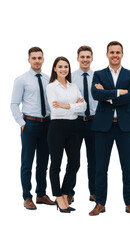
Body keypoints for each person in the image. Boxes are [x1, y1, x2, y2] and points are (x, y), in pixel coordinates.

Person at [89, 41, 130, 216]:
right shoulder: (99, 74)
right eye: (112, 52)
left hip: (125, 126)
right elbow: (96, 94)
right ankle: (100, 203)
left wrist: (108, 95)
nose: (115, 55)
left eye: (118, 52)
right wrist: (119, 92)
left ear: (122, 54)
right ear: (107, 54)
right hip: (103, 127)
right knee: (101, 167)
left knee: (128, 167)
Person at [10, 47, 55, 210]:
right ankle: (27, 196)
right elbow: (14, 104)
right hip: (29, 124)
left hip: (47, 124)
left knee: (43, 162)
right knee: (27, 162)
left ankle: (41, 194)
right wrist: (22, 123)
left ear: (43, 59)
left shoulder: (48, 79)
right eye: (34, 58)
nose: (37, 60)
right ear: (29, 60)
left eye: (39, 58)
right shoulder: (21, 80)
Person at [46, 56, 86, 213]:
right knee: (56, 164)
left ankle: (64, 192)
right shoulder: (51, 87)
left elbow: (84, 106)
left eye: (66, 67)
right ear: (55, 69)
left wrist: (66, 105)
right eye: (60, 66)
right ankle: (58, 196)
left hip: (72, 127)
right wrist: (74, 105)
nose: (63, 69)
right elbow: (55, 109)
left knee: (75, 163)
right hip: (57, 127)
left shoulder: (73, 86)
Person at [67, 46, 98, 204]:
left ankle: (93, 192)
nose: (85, 59)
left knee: (94, 159)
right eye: (82, 56)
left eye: (88, 56)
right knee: (73, 159)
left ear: (92, 58)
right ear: (77, 58)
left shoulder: (99, 77)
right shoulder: (70, 78)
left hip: (94, 122)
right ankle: (68, 192)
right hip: (76, 122)